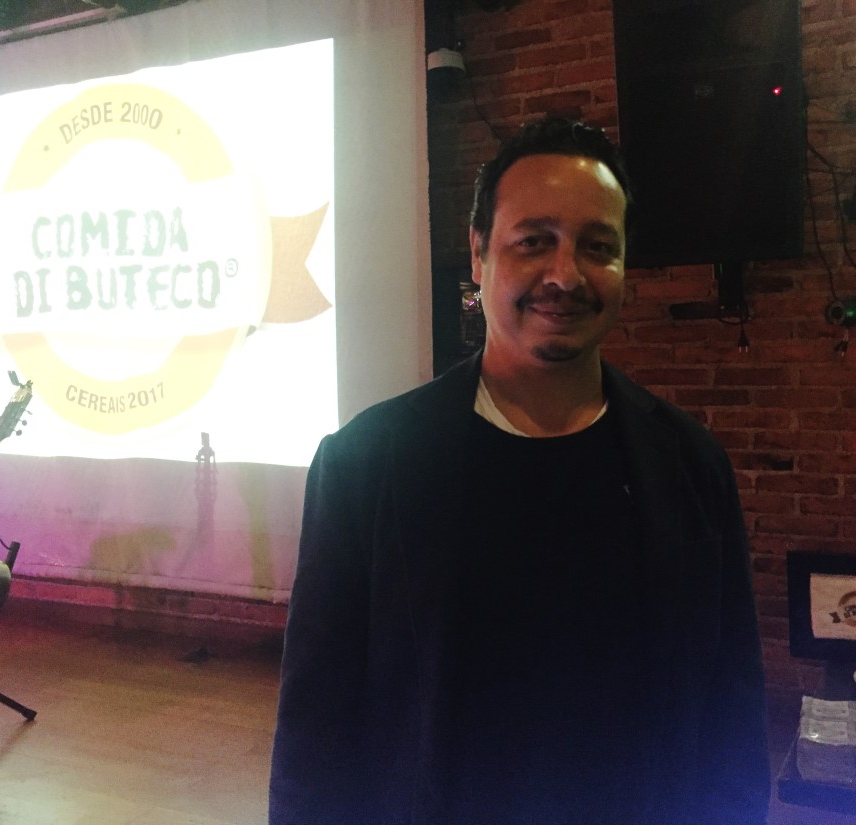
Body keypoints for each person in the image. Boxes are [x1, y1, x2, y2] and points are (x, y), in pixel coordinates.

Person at [269, 115, 770, 825]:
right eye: (534, 241)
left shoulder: (691, 464)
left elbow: (732, 708)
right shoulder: (365, 464)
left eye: (598, 246)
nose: (565, 275)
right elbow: (316, 728)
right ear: (478, 254)